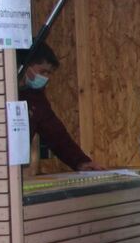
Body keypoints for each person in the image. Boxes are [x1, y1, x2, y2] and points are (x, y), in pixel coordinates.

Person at [17, 43, 105, 171]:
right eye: (43, 71)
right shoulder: (3, 94)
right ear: (25, 66)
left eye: (49, 73)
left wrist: (80, 162)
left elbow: (56, 135)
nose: (46, 78)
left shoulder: (36, 98)